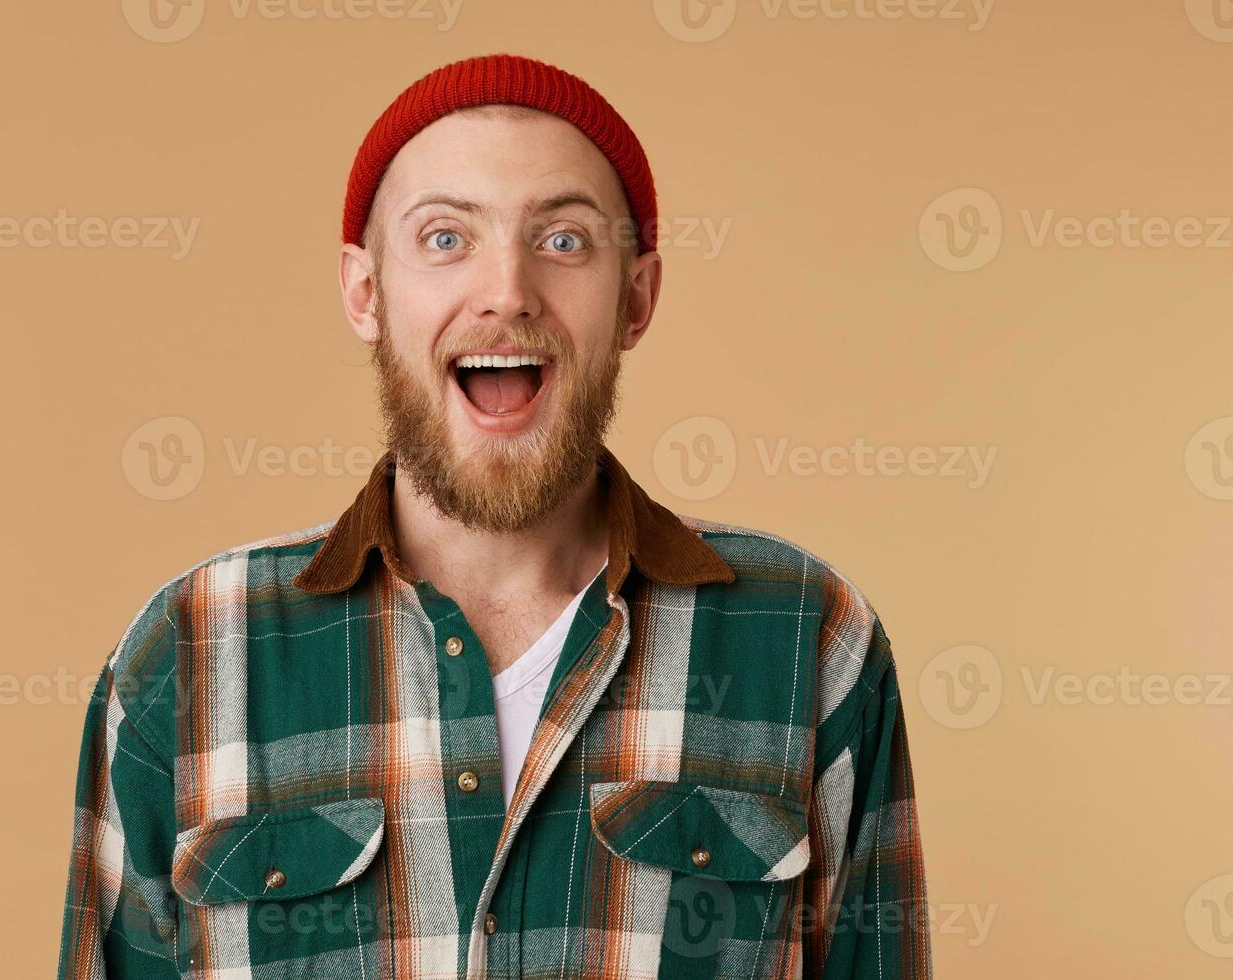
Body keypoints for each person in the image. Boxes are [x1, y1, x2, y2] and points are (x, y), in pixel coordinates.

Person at [57, 52, 932, 980]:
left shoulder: (807, 638)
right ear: (366, 293)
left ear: (637, 297)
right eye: (445, 238)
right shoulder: (189, 656)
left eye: (563, 241)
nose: (508, 290)